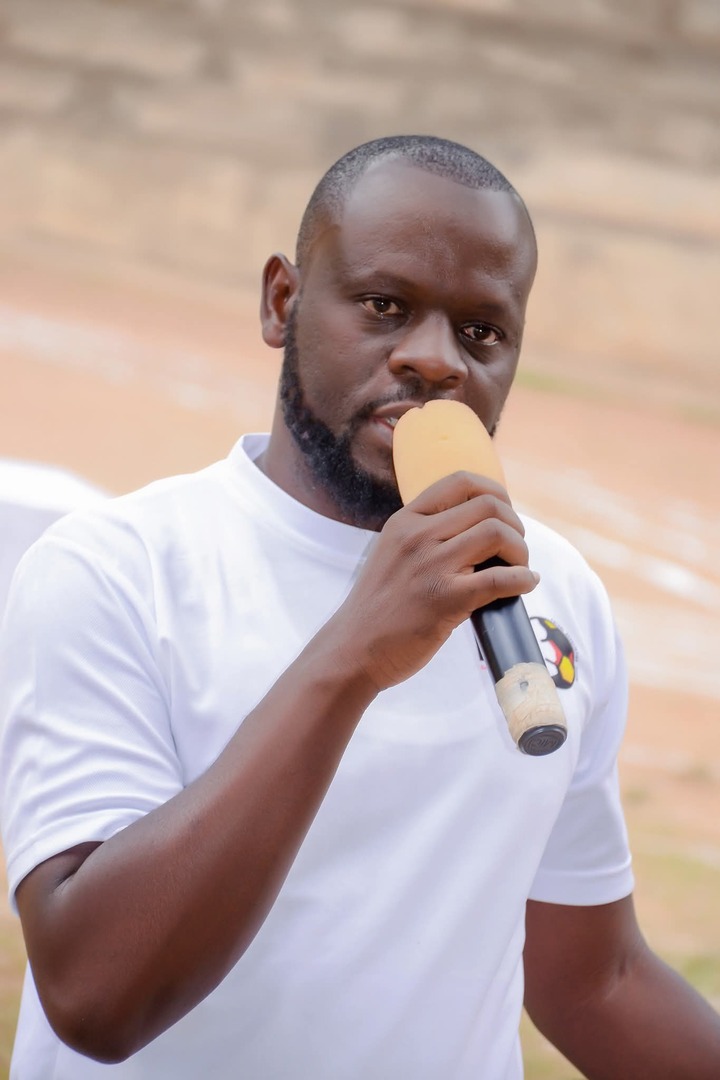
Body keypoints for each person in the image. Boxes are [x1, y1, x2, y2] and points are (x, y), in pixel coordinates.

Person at [1, 135, 719, 1080]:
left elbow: (596, 979)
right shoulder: (115, 571)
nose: (434, 360)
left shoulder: (555, 591)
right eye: (385, 306)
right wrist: (352, 656)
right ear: (282, 302)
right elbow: (97, 995)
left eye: (482, 331)